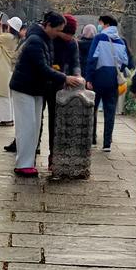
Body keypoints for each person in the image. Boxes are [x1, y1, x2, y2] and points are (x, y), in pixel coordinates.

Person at [9, 11, 83, 176]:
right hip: (26, 87)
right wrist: (64, 77)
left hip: (38, 87)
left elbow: (74, 62)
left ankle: (28, 162)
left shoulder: (46, 39)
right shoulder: (36, 40)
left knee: (33, 126)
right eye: (59, 30)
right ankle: (23, 163)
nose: (60, 34)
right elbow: (43, 67)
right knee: (28, 126)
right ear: (49, 26)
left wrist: (72, 75)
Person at [85, 14, 133, 152]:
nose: (99, 26)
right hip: (113, 80)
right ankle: (107, 144)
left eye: (100, 23)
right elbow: (126, 62)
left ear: (105, 24)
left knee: (92, 109)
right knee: (110, 111)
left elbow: (92, 59)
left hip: (98, 79)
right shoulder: (121, 42)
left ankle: (92, 139)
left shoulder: (99, 38)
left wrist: (89, 78)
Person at [46, 14, 82, 165]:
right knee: (36, 121)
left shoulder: (72, 43)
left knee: (56, 121)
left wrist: (78, 75)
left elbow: (75, 62)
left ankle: (54, 155)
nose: (69, 37)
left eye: (72, 34)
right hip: (45, 81)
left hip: (62, 85)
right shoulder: (49, 39)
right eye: (66, 33)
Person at [0, 16, 22, 126]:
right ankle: (8, 118)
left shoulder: (8, 37)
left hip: (2, 70)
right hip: (6, 69)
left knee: (2, 95)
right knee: (6, 95)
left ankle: (6, 119)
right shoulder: (13, 38)